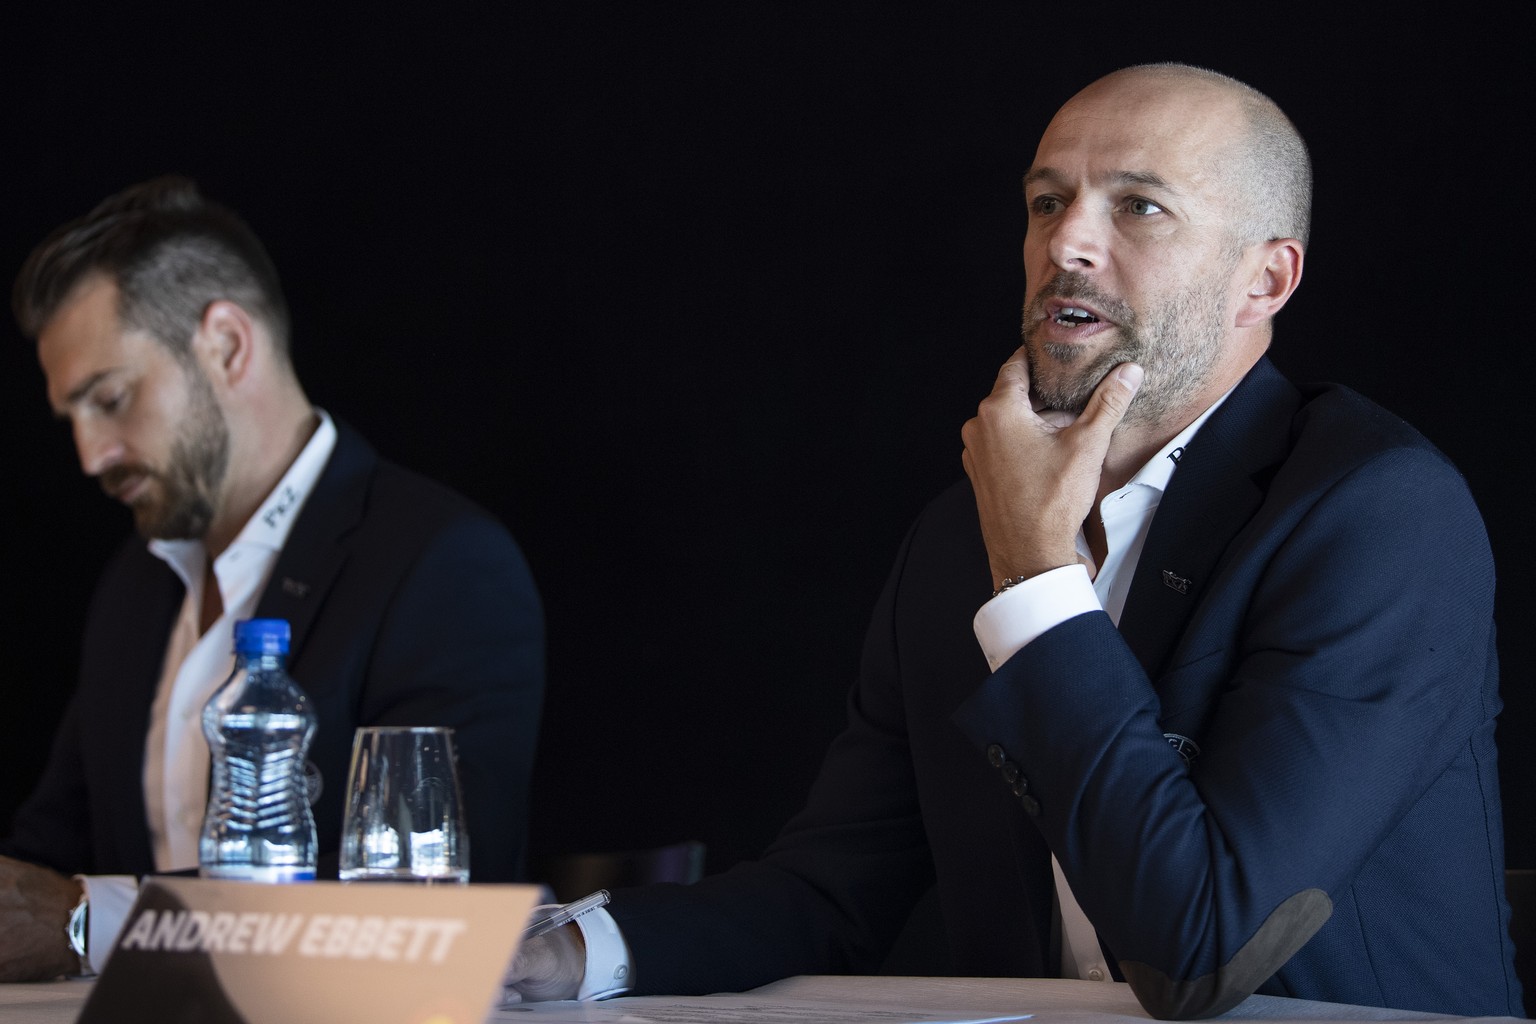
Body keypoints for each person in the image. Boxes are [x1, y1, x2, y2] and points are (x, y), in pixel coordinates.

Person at [505, 63, 1522, 1018]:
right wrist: (564, 952)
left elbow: (1202, 944)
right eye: (1047, 202)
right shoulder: (963, 533)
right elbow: (827, 892)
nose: (1066, 244)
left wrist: (1036, 573)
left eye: (1139, 206)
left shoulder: (1378, 513)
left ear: (1265, 281)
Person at [0, 177, 546, 981]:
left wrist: (91, 921)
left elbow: (431, 906)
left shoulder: (443, 562)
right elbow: (49, 858)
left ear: (226, 344)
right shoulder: (133, 586)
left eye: (110, 398)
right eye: (72, 418)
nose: (91, 455)